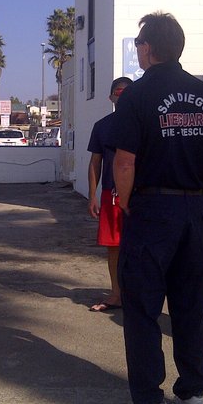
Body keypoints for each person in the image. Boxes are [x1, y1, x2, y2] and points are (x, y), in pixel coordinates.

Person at [110, 12, 203, 404]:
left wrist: (127, 202)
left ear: (148, 48)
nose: (138, 49)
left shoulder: (136, 95)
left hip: (153, 210)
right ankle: (193, 395)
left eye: (139, 43)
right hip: (196, 211)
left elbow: (125, 161)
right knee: (191, 306)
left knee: (142, 307)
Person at [87, 76, 133, 312]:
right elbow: (95, 162)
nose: (122, 96)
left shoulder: (144, 124)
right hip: (110, 196)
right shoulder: (102, 126)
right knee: (114, 248)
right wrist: (92, 195)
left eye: (127, 92)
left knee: (140, 247)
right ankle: (117, 294)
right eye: (118, 92)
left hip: (139, 197)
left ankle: (137, 294)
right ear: (111, 97)